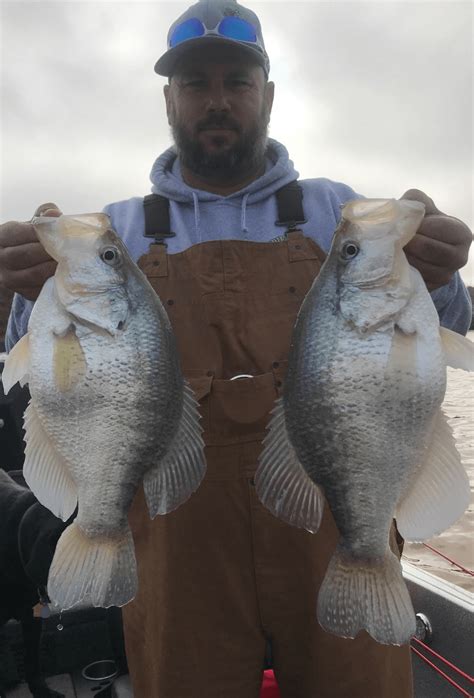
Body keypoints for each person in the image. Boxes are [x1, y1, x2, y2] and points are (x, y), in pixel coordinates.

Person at [0, 1, 472, 696]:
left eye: (236, 82)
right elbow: (34, 359)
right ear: (169, 100)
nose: (216, 101)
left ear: (268, 96)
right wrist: (22, 293)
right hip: (175, 556)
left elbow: (444, 323)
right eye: (196, 85)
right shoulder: (118, 230)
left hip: (332, 530)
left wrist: (441, 270)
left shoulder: (336, 210)